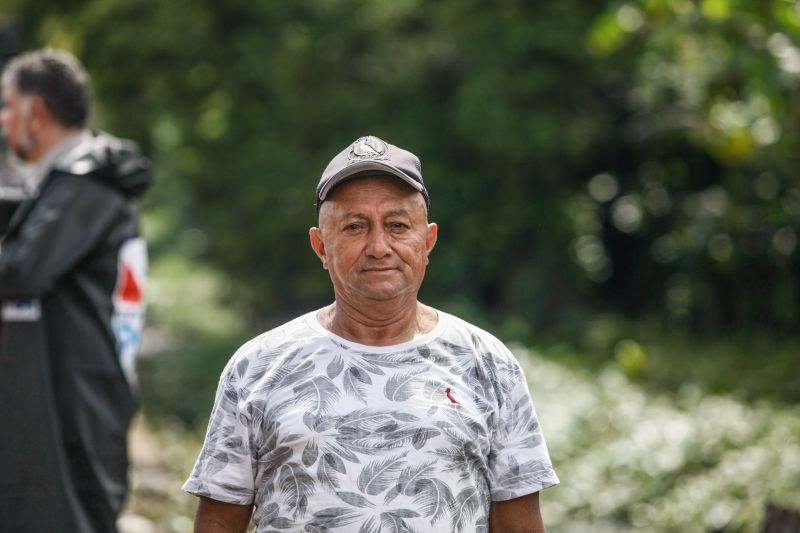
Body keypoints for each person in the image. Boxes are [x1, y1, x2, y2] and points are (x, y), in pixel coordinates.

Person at [183, 135, 558, 532]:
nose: (379, 246)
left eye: (397, 225)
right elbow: (219, 522)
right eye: (355, 226)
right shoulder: (258, 366)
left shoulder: (488, 363)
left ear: (427, 241)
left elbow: (519, 526)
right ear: (320, 246)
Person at [0, 48, 152, 532]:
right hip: (72, 389)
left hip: (80, 402)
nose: (3, 122)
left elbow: (19, 272)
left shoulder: (86, 187)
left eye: (7, 107)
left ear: (35, 112)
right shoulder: (75, 186)